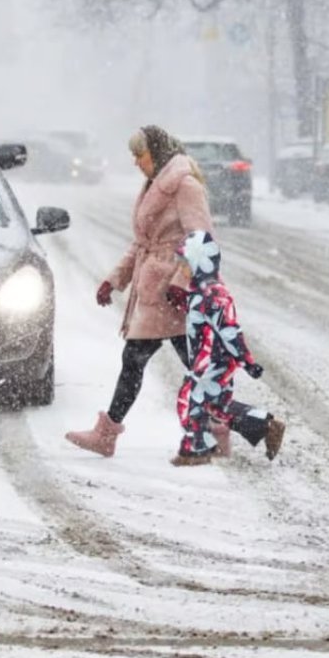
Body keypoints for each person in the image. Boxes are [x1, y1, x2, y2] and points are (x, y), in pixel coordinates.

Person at [66, 126, 215, 457]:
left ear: (156, 152)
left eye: (139, 154)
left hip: (170, 293)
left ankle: (106, 436)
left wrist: (182, 283)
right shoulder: (156, 185)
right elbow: (143, 243)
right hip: (155, 290)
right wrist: (114, 280)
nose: (136, 162)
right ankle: (255, 424)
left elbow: (202, 239)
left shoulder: (185, 186)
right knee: (186, 366)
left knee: (137, 360)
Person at [169, 230, 286, 466]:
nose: (180, 269)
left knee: (190, 398)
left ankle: (197, 448)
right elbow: (203, 321)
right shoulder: (201, 292)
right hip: (211, 359)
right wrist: (185, 302)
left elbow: (229, 330)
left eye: (185, 263)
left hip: (214, 359)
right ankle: (264, 425)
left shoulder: (213, 294)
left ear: (200, 262)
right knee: (216, 405)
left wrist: (247, 361)